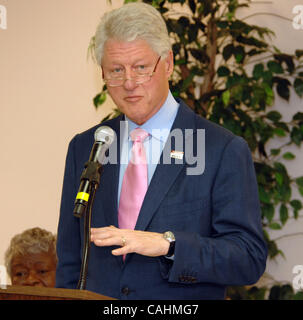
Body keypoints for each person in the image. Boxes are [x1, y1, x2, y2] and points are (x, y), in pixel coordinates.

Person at [56, 3, 267, 299]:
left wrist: (169, 245)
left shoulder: (220, 149)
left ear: (167, 63)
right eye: (116, 70)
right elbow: (70, 260)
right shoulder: (87, 147)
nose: (129, 83)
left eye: (141, 68)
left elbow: (247, 258)